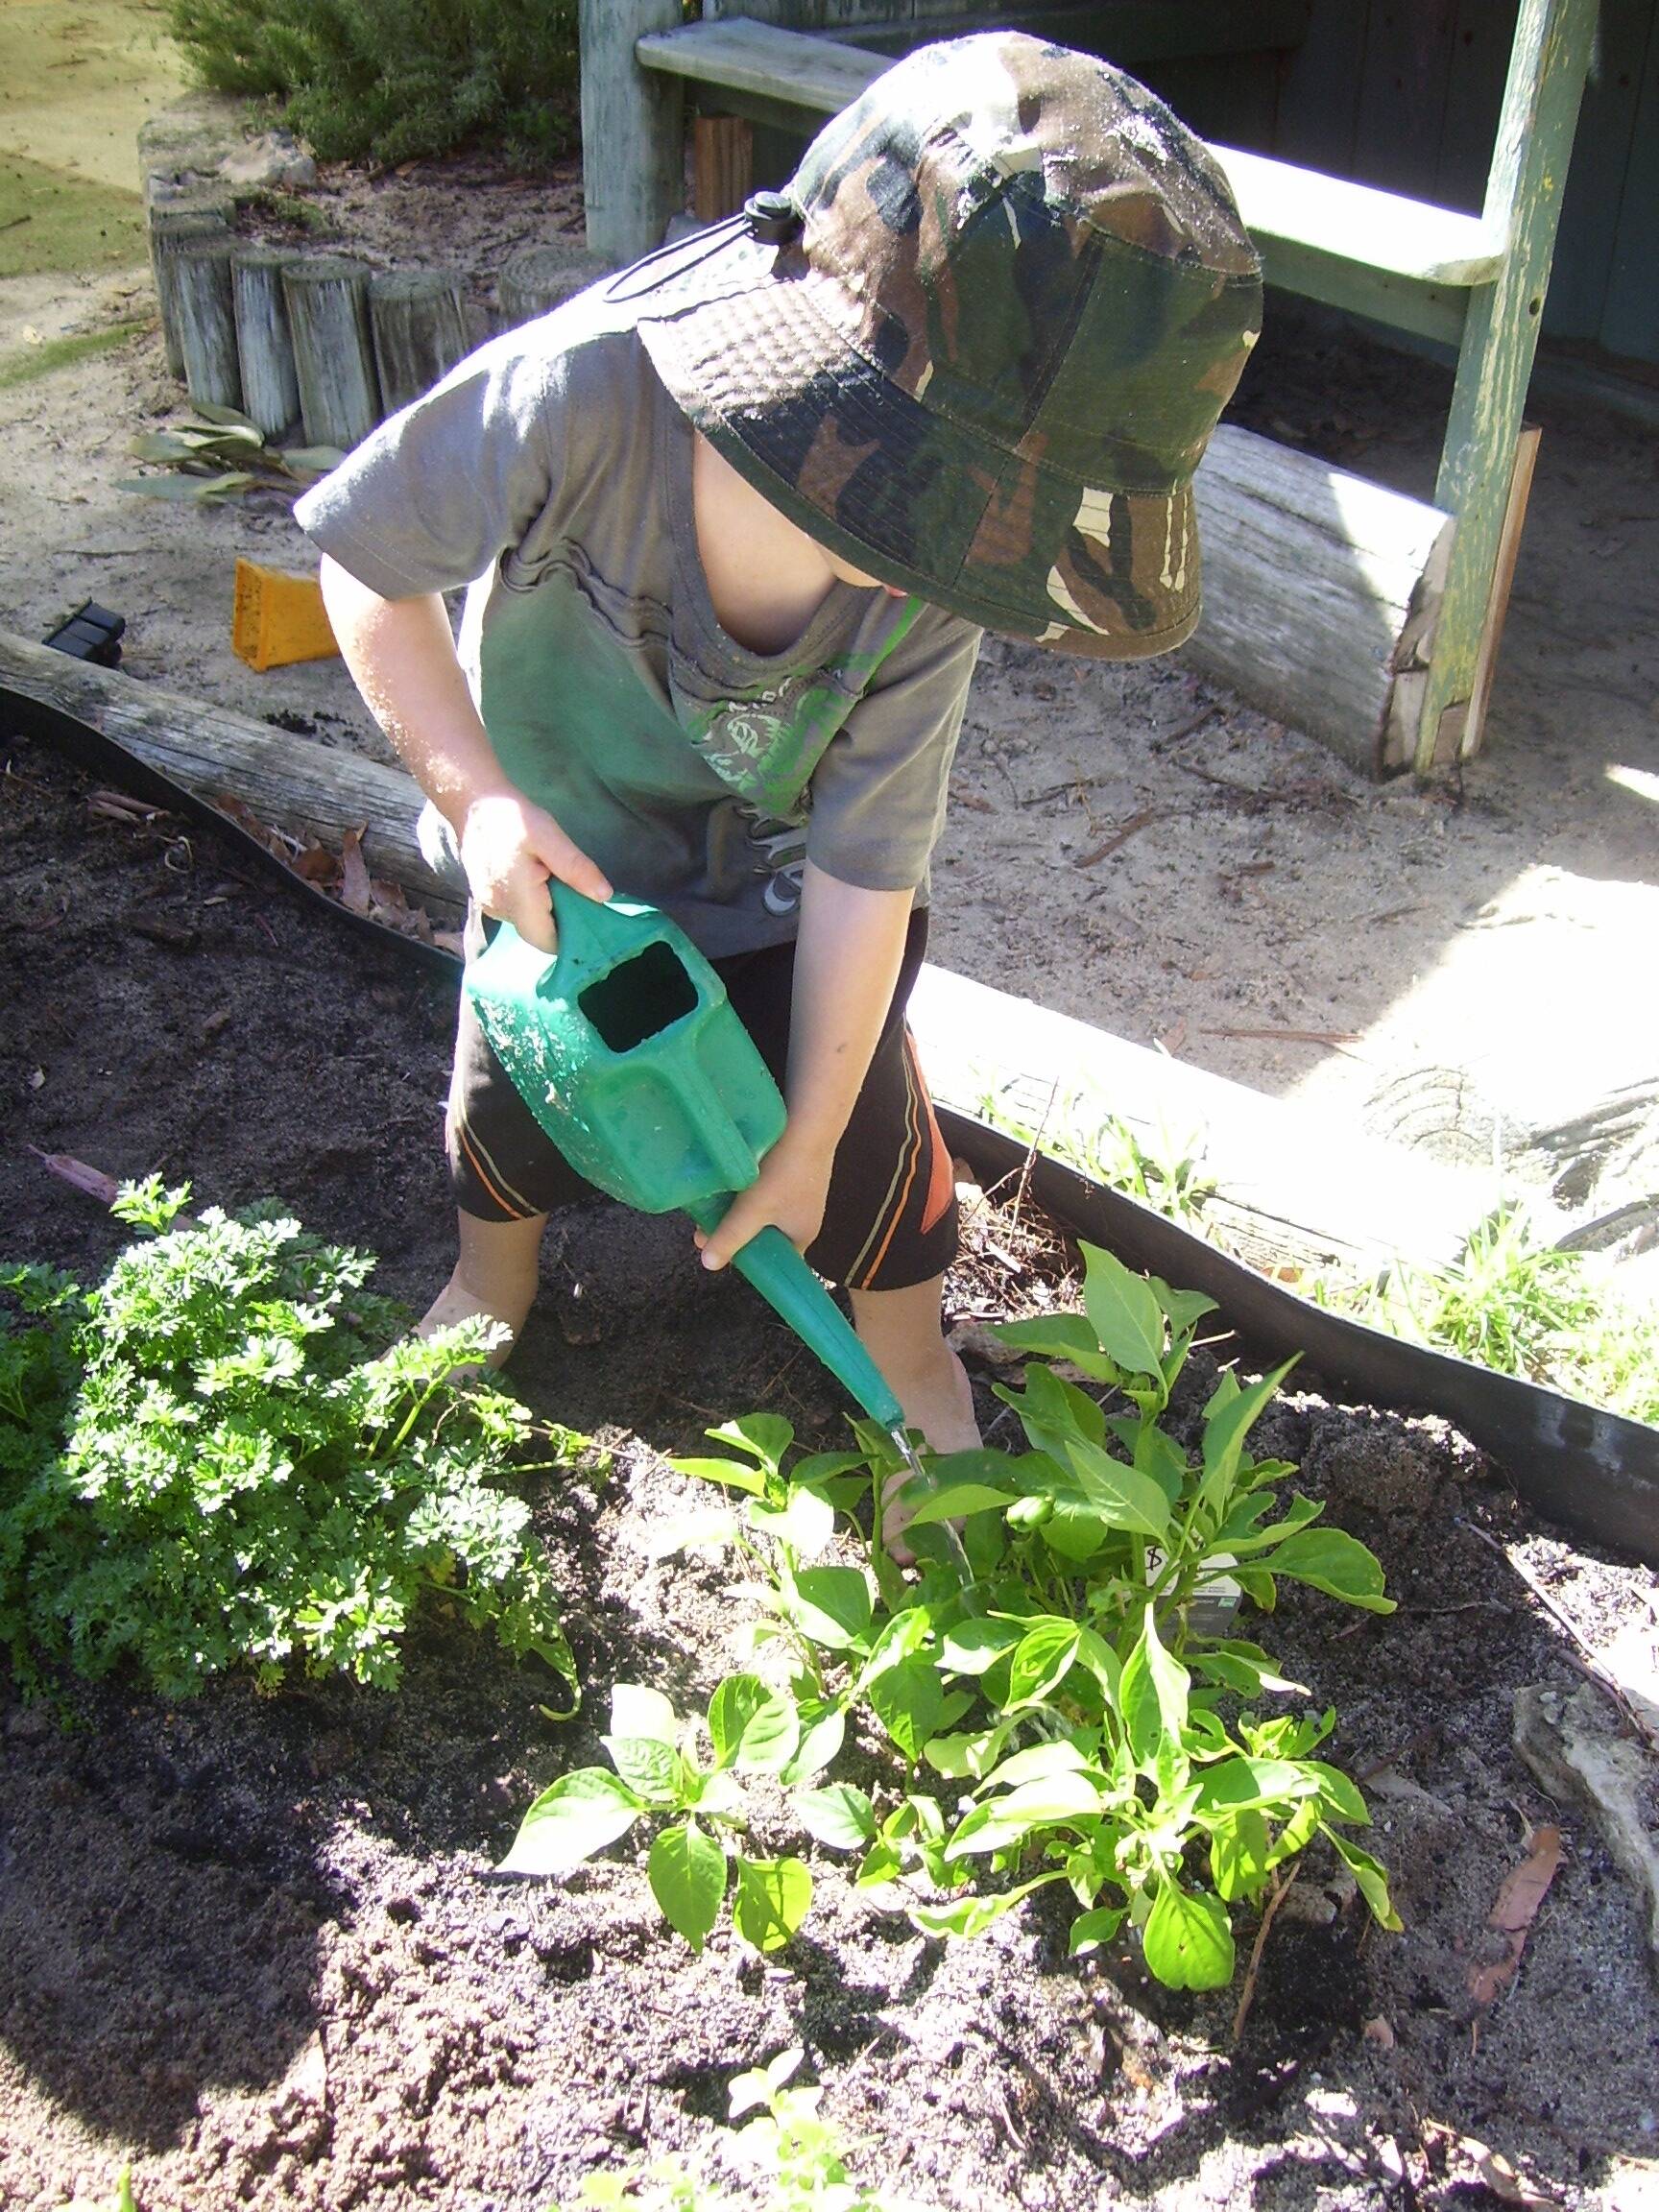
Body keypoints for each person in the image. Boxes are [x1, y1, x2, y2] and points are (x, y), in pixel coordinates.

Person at [298, 31, 1262, 1512]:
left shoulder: (949, 580)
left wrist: (807, 1145)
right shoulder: (578, 396)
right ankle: (490, 1293)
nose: (936, 542)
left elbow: (868, 866)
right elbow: (365, 562)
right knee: (505, 1113)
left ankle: (915, 1359)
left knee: (876, 1156)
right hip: (564, 886)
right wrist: (474, 795)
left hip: (782, 909)